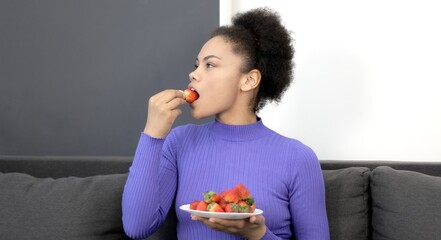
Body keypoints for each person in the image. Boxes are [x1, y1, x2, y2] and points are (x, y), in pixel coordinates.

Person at [122, 7, 330, 240]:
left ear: (249, 80)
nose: (193, 74)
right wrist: (153, 134)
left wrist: (258, 234)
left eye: (210, 65)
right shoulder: (179, 142)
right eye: (196, 64)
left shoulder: (298, 158)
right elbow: (137, 226)